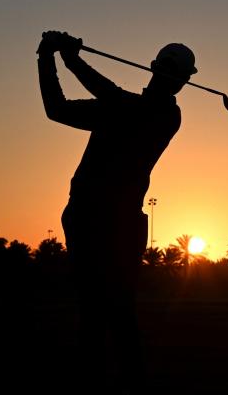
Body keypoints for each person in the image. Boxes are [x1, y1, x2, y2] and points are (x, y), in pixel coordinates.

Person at [37, 30, 197, 393]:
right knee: (95, 310)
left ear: (181, 81)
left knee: (117, 311)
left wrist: (70, 57)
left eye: (177, 74)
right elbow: (56, 109)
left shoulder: (164, 116)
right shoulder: (119, 108)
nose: (172, 79)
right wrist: (47, 59)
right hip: (86, 217)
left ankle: (123, 385)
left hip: (117, 223)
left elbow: (112, 96)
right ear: (156, 69)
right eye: (170, 70)